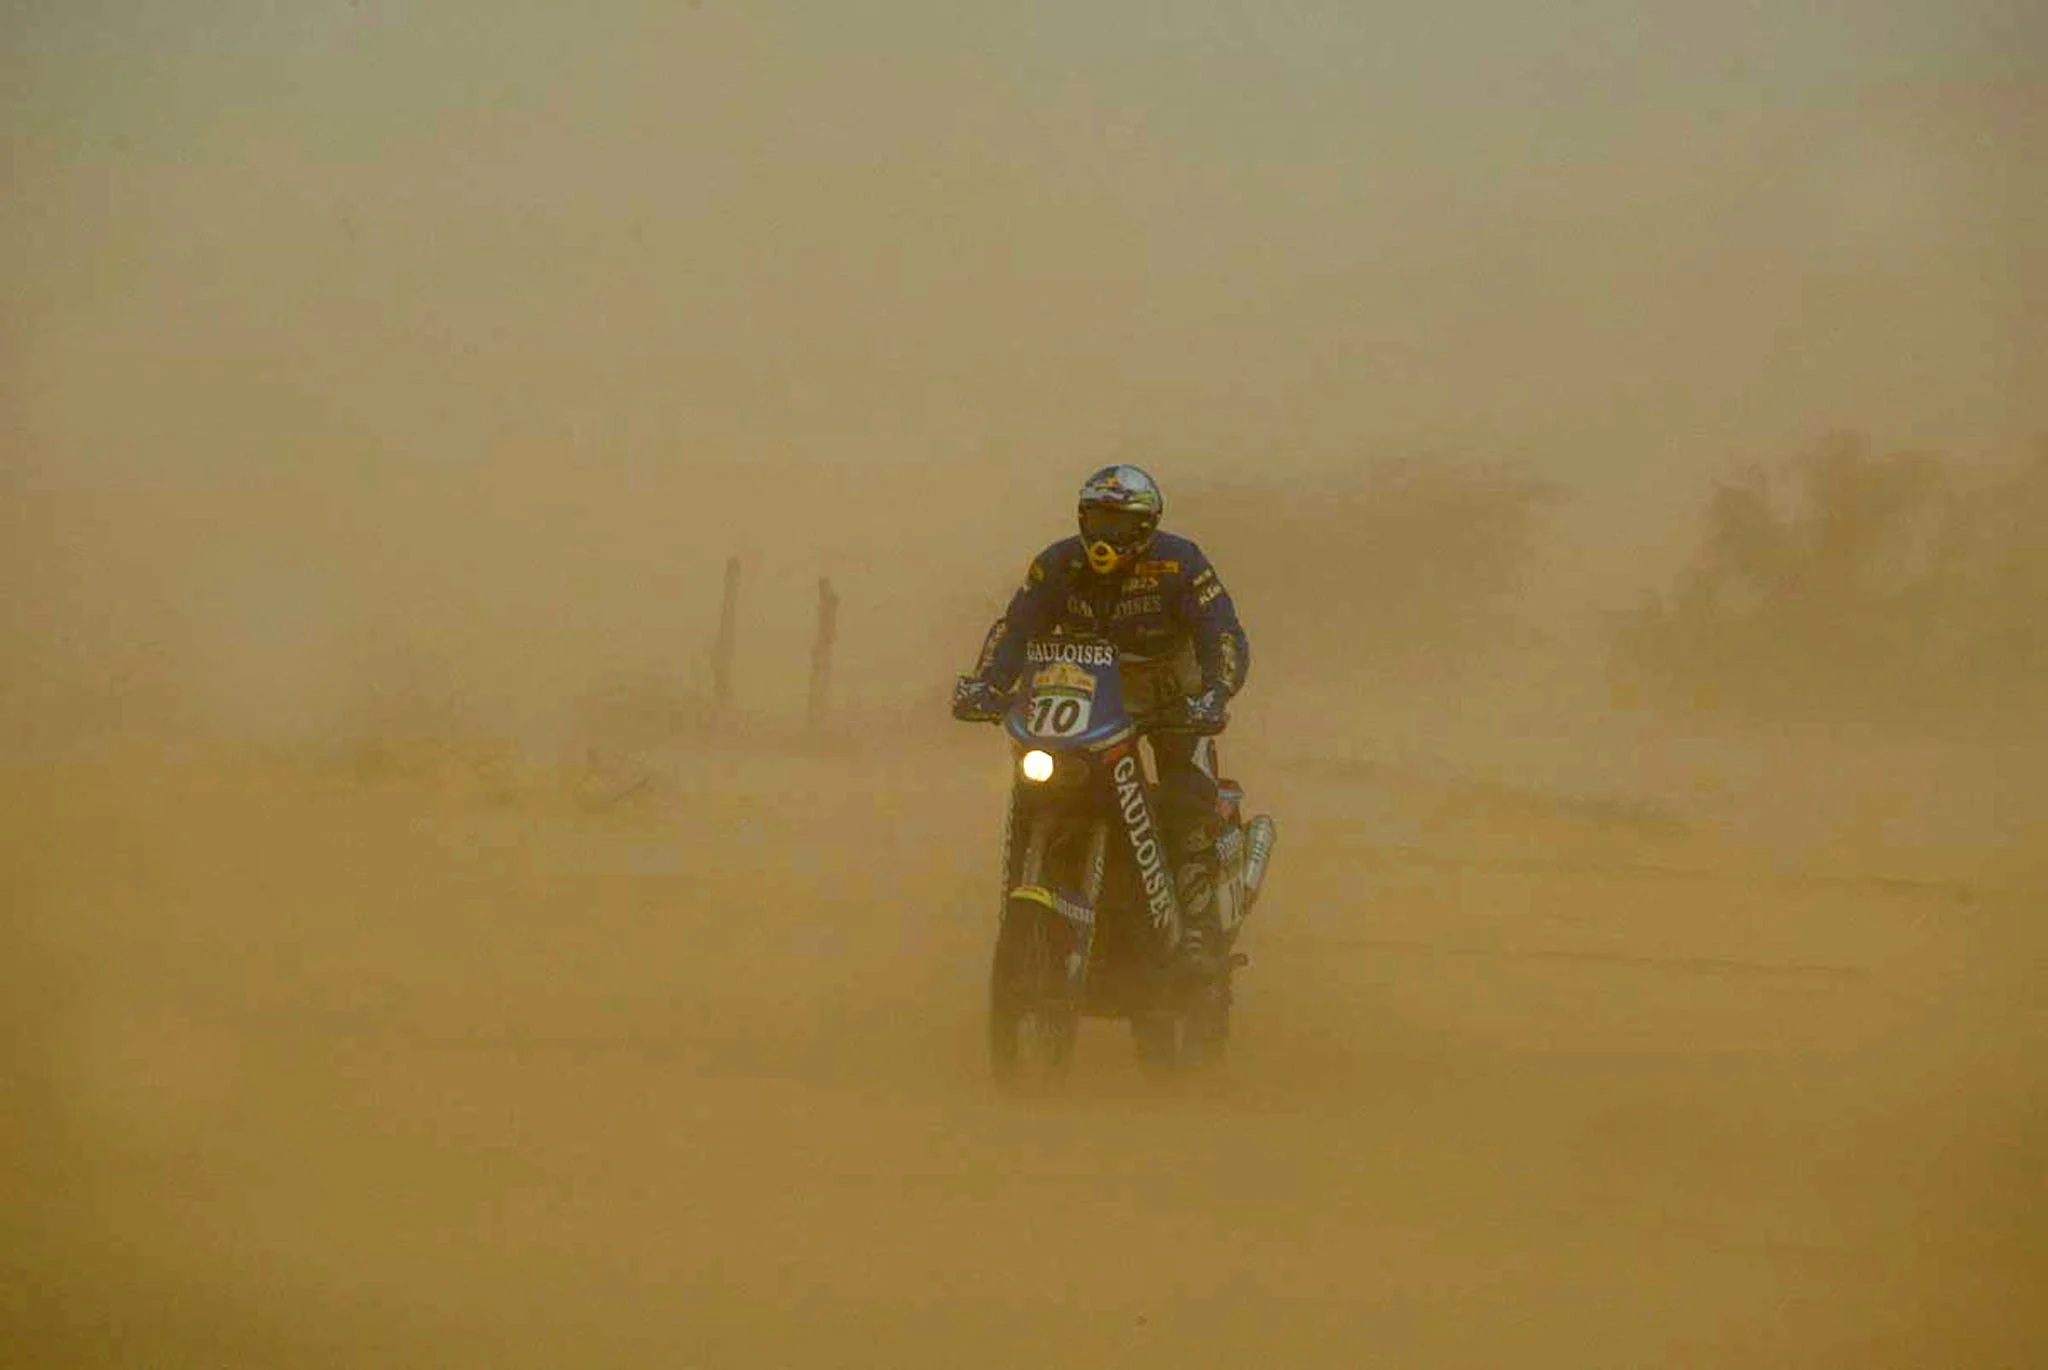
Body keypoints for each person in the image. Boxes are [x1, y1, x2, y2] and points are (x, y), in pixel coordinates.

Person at [952, 464, 1252, 967]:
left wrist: (1216, 692)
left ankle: (1200, 931)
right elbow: (1015, 631)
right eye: (1096, 521)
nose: (1104, 537)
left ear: (1146, 525)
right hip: (1088, 702)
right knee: (1043, 782)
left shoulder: (1181, 563)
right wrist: (988, 684)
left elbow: (1222, 634)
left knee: (1185, 799)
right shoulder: (1057, 565)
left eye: (1119, 524)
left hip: (1174, 698)